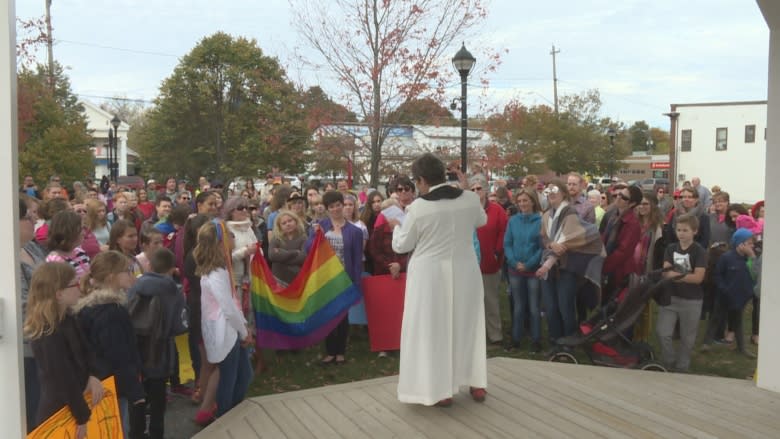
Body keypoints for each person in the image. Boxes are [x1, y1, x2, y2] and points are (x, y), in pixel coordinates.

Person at [390, 152, 488, 407]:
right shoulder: (469, 198)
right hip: (465, 268)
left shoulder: (419, 207)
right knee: (468, 325)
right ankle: (476, 381)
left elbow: (402, 245)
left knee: (432, 330)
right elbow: (482, 219)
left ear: (422, 180)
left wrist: (396, 228)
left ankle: (441, 389)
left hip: (430, 274)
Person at [24, 263, 105, 438]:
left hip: (77, 404)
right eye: (74, 285)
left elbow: (87, 352)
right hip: (60, 411)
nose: (80, 288)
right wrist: (82, 417)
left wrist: (92, 375)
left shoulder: (69, 318)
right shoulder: (47, 333)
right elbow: (62, 379)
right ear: (58, 294)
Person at [74, 251, 145, 437]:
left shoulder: (88, 308)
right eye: (127, 271)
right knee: (116, 429)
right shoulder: (113, 312)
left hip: (97, 382)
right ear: (112, 277)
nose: (132, 275)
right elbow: (119, 356)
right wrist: (136, 392)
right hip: (113, 386)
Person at [194, 220, 254, 419]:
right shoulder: (217, 272)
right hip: (225, 332)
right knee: (230, 379)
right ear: (220, 242)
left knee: (244, 375)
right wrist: (244, 332)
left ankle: (233, 411)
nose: (234, 237)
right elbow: (228, 307)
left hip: (230, 330)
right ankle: (225, 417)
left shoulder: (219, 268)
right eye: (229, 234)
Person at [128, 248, 187, 439]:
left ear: (150, 266)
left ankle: (136, 433)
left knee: (137, 398)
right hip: (160, 352)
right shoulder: (173, 290)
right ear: (171, 268)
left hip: (137, 349)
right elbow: (180, 326)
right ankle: (156, 433)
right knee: (158, 399)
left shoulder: (136, 286)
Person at [306, 191, 363, 365]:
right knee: (328, 316)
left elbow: (357, 258)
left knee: (342, 316)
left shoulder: (354, 231)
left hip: (344, 279)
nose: (336, 209)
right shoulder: (321, 226)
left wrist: (355, 283)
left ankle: (340, 352)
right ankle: (330, 351)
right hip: (325, 279)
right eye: (332, 206)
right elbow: (309, 250)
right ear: (327, 209)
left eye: (339, 204)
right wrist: (315, 235)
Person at [656, 214, 707, 372]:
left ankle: (682, 366)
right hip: (670, 298)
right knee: (662, 332)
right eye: (678, 230)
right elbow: (666, 271)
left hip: (692, 300)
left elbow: (698, 277)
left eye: (685, 230)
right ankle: (669, 360)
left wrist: (677, 276)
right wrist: (683, 276)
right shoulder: (671, 248)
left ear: (695, 231)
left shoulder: (699, 251)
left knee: (687, 337)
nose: (681, 233)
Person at [701, 228, 757, 357]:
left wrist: (752, 257)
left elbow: (755, 274)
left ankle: (741, 347)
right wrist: (724, 289)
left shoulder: (749, 259)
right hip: (724, 296)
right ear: (740, 244)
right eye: (749, 243)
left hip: (740, 297)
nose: (752, 246)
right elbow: (718, 275)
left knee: (738, 322)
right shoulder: (727, 258)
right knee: (715, 319)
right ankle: (706, 343)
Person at [468, 175, 508, 345]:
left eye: (479, 188)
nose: (476, 192)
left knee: (490, 300)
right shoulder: (466, 210)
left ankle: (495, 334)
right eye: (472, 189)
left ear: (485, 190)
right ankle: (475, 337)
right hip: (468, 264)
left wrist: (496, 252)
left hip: (489, 263)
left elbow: (503, 232)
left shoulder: (497, 210)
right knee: (470, 304)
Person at [18, 199, 47, 432]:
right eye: (28, 217)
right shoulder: (7, 259)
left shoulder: (30, 247)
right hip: (27, 348)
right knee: (32, 414)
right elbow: (23, 305)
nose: (34, 220)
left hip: (45, 340)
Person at [503, 188, 543, 353]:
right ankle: (516, 338)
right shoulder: (513, 221)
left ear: (533, 201)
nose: (522, 204)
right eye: (519, 202)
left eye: (525, 201)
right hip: (515, 270)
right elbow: (507, 243)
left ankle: (536, 340)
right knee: (518, 306)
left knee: (534, 307)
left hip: (533, 270)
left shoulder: (541, 221)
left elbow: (542, 247)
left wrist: (530, 263)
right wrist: (513, 261)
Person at [45, 210, 91, 281]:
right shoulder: (55, 261)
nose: (84, 232)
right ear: (70, 231)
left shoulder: (80, 251)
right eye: (81, 229)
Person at [268, 209, 307, 285]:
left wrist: (281, 256)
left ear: (296, 221)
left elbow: (303, 257)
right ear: (280, 227)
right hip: (278, 279)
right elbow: (272, 255)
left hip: (298, 279)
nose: (288, 224)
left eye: (290, 221)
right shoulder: (276, 238)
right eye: (284, 223)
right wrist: (294, 252)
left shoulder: (303, 238)